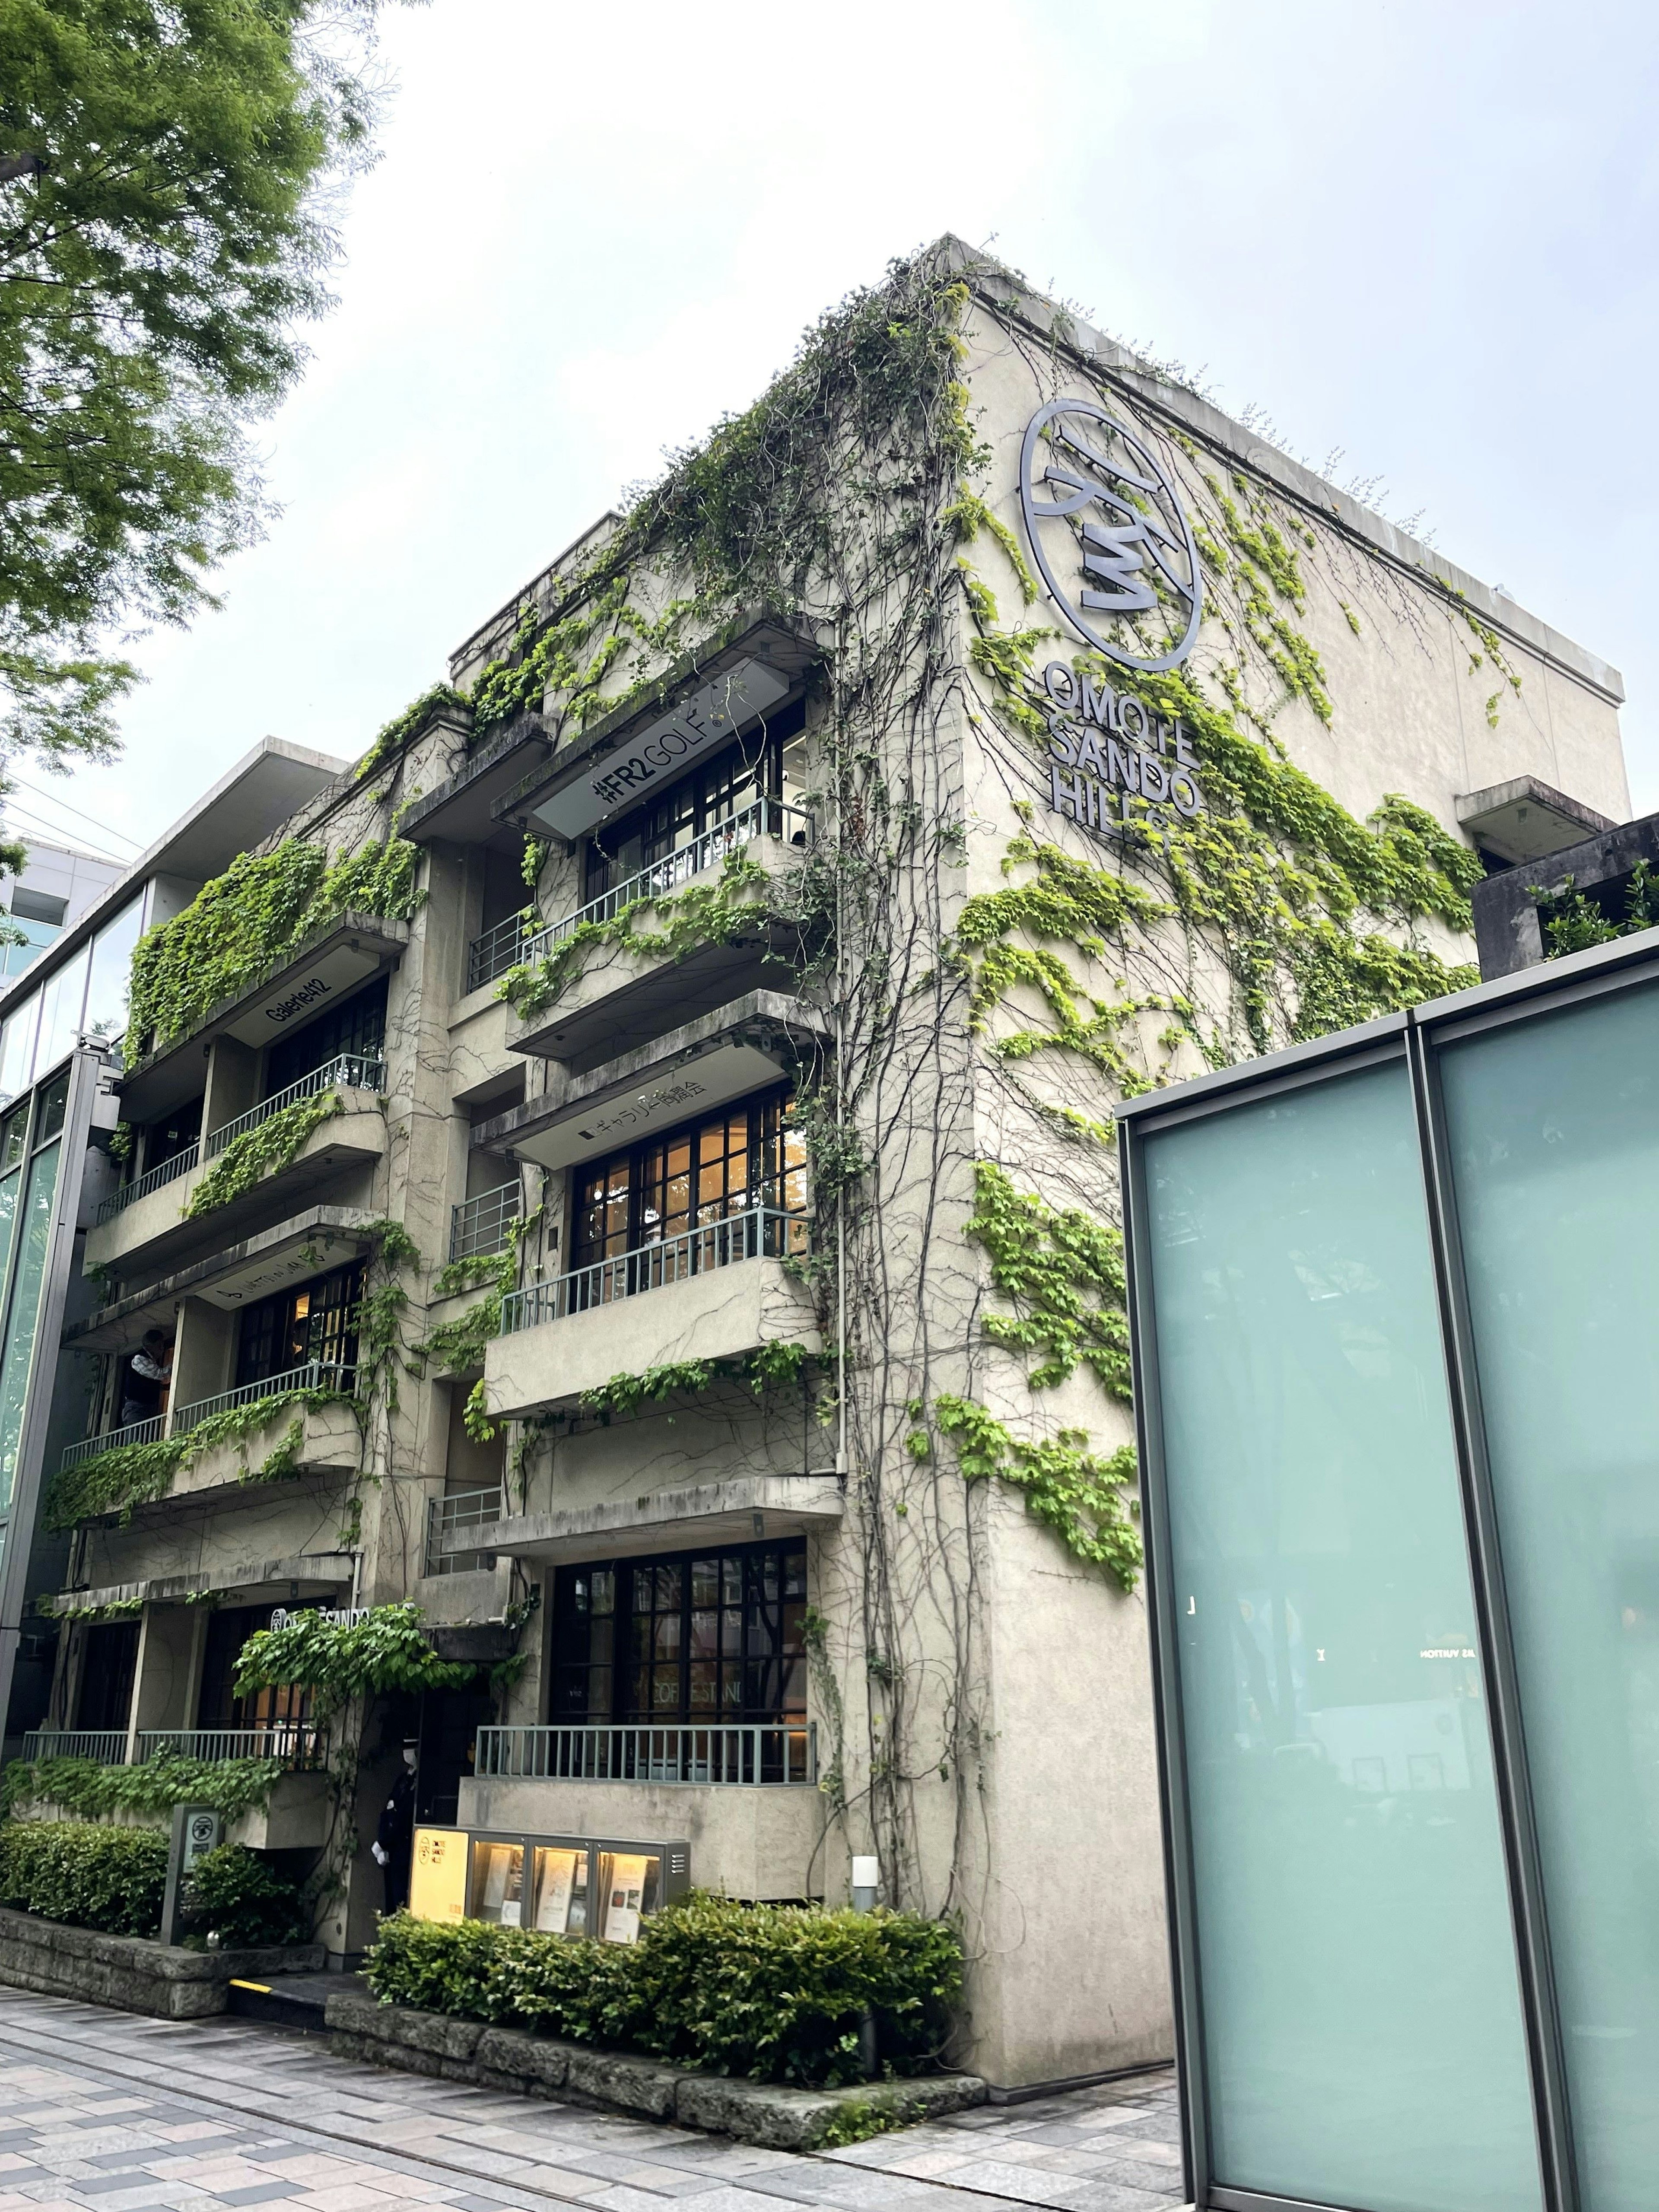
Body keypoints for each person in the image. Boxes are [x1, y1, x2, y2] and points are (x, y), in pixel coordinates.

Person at [371, 1741, 418, 1915]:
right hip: (391, 1850)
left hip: (403, 1849)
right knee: (390, 1901)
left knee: (400, 1900)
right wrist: (382, 1843)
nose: (408, 1753)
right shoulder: (403, 1779)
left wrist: (384, 1843)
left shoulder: (417, 1783)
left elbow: (403, 1817)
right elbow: (388, 1811)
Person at [120, 1330, 172, 1428]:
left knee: (145, 1439)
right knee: (136, 1440)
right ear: (150, 1346)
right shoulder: (139, 1359)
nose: (162, 1348)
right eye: (159, 1345)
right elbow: (160, 1375)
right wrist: (174, 1365)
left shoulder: (150, 1361)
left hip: (147, 1409)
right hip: (136, 1409)